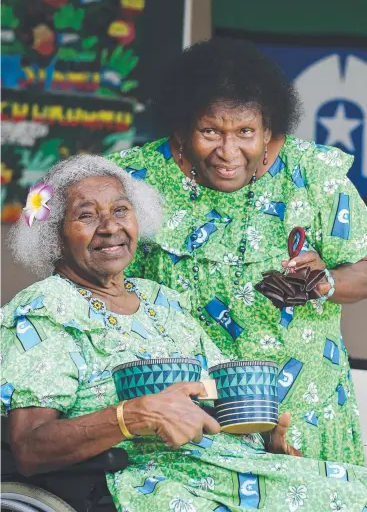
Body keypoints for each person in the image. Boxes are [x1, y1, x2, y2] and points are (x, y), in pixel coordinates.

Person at [2, 155, 367, 512]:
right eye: (86, 215)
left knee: (355, 488)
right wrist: (132, 415)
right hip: (157, 482)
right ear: (54, 236)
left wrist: (265, 435)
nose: (110, 227)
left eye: (120, 210)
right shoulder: (45, 309)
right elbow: (30, 447)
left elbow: (213, 388)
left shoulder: (160, 299)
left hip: (227, 468)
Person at [108, 39, 367, 465]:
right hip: (183, 409)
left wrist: (325, 282)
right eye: (210, 131)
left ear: (269, 129)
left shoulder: (314, 175)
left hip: (300, 406)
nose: (229, 153)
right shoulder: (136, 179)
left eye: (245, 132)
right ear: (180, 128)